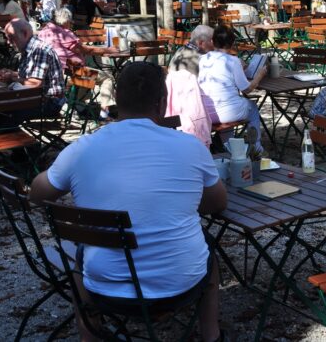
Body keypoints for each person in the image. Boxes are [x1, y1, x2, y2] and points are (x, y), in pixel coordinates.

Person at [29, 62, 227, 342]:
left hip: (105, 291)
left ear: (117, 102)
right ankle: (211, 335)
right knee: (210, 252)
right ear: (161, 104)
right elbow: (217, 204)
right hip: (184, 284)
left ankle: (90, 337)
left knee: (77, 255)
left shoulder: (82, 149)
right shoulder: (190, 146)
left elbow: (37, 195)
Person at [198, 25, 268, 155]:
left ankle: (228, 146)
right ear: (232, 44)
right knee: (252, 107)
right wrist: (259, 76)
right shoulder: (233, 61)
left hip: (206, 113)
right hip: (227, 112)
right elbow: (247, 89)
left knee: (232, 108)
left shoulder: (201, 59)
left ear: (212, 42)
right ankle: (256, 146)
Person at [37, 8, 119, 118]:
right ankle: (104, 113)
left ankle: (77, 107)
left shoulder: (43, 32)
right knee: (107, 77)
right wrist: (108, 50)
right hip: (71, 74)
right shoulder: (63, 33)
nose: (72, 23)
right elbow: (85, 50)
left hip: (50, 75)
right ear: (64, 20)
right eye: (70, 20)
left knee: (87, 75)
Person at [0, 19, 65, 125]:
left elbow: (35, 83)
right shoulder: (29, 49)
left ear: (24, 33)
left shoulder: (40, 50)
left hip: (49, 102)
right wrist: (11, 73)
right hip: (35, 98)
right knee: (3, 106)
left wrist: (11, 78)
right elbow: (28, 76)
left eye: (11, 38)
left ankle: (16, 140)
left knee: (5, 111)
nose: (8, 42)